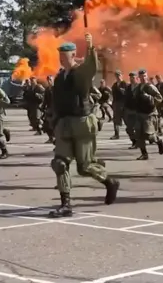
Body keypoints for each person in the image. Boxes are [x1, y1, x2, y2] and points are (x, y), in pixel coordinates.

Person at [49, 34, 120, 217]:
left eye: (65, 55)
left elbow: (91, 66)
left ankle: (109, 181)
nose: (62, 58)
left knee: (85, 166)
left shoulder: (81, 73)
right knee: (60, 163)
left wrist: (90, 47)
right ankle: (66, 204)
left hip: (82, 123)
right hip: (64, 124)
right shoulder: (59, 78)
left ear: (73, 55)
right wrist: (53, 121)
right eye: (60, 55)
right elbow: (56, 101)